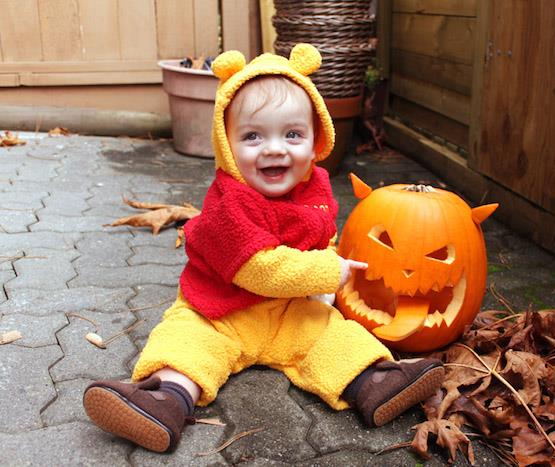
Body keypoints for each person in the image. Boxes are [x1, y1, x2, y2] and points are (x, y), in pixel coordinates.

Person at [83, 44, 444, 453]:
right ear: (226, 145)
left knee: (331, 334)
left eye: (292, 134)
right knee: (185, 342)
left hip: (288, 310)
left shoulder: (316, 189)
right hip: (221, 310)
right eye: (253, 136)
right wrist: (328, 271)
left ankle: (374, 381)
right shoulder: (227, 204)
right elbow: (259, 269)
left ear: (316, 141)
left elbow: (318, 236)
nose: (275, 148)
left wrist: (324, 280)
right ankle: (163, 399)